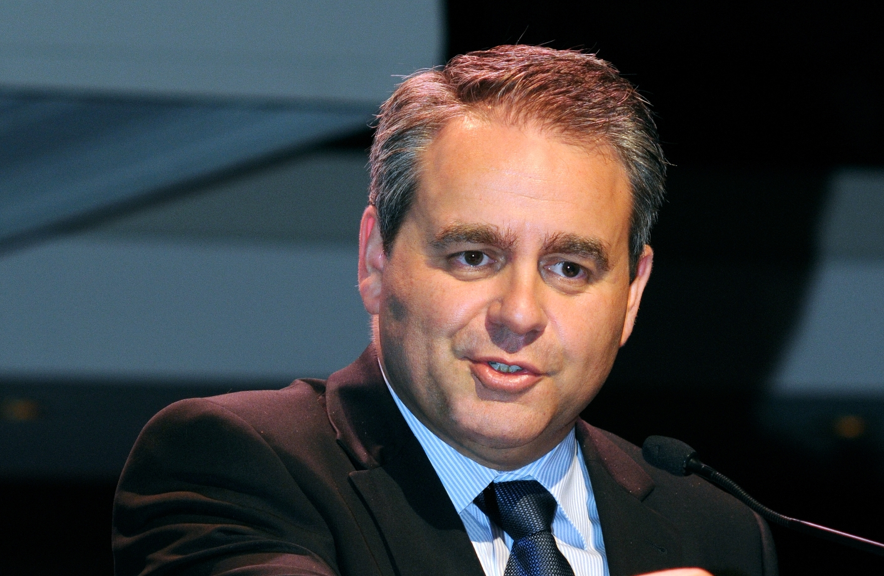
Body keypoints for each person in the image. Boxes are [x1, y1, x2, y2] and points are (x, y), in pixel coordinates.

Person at [113, 45, 777, 576]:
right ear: (376, 259)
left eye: (569, 268)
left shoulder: (717, 529)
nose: (520, 314)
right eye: (474, 257)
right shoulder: (236, 461)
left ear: (631, 294)